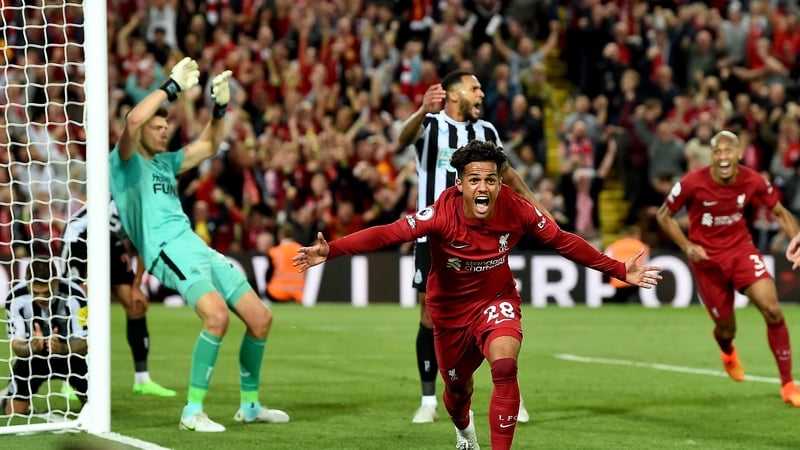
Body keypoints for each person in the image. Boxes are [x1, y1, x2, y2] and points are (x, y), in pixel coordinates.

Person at [293, 140, 661, 450]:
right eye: (474, 180)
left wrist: (617, 269)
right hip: (449, 313)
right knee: (456, 389)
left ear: (501, 183)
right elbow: (389, 233)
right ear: (460, 183)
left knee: (505, 365)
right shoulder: (440, 213)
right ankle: (464, 429)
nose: (483, 188)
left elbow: (562, 241)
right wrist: (332, 250)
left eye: (490, 180)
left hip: (495, 300)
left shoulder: (517, 209)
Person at [109, 57, 289, 432]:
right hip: (166, 251)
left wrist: (219, 109)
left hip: (194, 245)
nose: (163, 131)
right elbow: (132, 121)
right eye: (157, 126)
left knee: (261, 319)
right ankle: (192, 411)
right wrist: (170, 87)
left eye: (166, 126)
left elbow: (208, 144)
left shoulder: (164, 162)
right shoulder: (124, 162)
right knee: (217, 317)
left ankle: (251, 405)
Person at [397, 69, 549, 424]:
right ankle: (429, 399)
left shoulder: (487, 132)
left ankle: (512, 391)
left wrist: (536, 206)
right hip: (435, 235)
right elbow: (403, 139)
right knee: (430, 315)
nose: (482, 93)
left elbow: (507, 174)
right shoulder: (431, 125)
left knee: (495, 310)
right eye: (474, 87)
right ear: (454, 94)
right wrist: (421, 110)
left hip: (483, 234)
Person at [656, 130, 800, 407]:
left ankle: (788, 383)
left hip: (741, 252)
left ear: (738, 153)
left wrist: (795, 239)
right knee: (726, 329)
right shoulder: (692, 183)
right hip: (707, 262)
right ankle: (727, 350)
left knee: (772, 309)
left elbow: (780, 211)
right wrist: (686, 246)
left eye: (728, 151)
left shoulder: (753, 179)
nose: (723, 156)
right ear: (711, 155)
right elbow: (664, 216)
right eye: (717, 151)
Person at [60, 201, 176, 397]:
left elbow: (143, 246)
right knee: (79, 306)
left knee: (136, 305)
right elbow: (98, 238)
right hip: (80, 241)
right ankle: (69, 381)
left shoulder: (150, 205)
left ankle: (142, 379)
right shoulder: (123, 203)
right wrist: (89, 279)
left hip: (111, 242)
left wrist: (137, 285)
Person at [2, 258, 88, 415]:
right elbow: (16, 346)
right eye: (35, 292)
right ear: (27, 282)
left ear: (55, 281)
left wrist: (63, 348)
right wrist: (31, 347)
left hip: (71, 358)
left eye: (46, 292)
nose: (41, 298)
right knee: (13, 413)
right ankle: (9, 397)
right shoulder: (15, 298)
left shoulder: (75, 295)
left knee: (97, 410)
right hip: (33, 359)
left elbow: (86, 342)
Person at [265, 223, 304, 304]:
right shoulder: (302, 250)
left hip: (276, 294)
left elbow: (268, 274)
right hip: (299, 294)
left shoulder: (275, 251)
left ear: (281, 234)